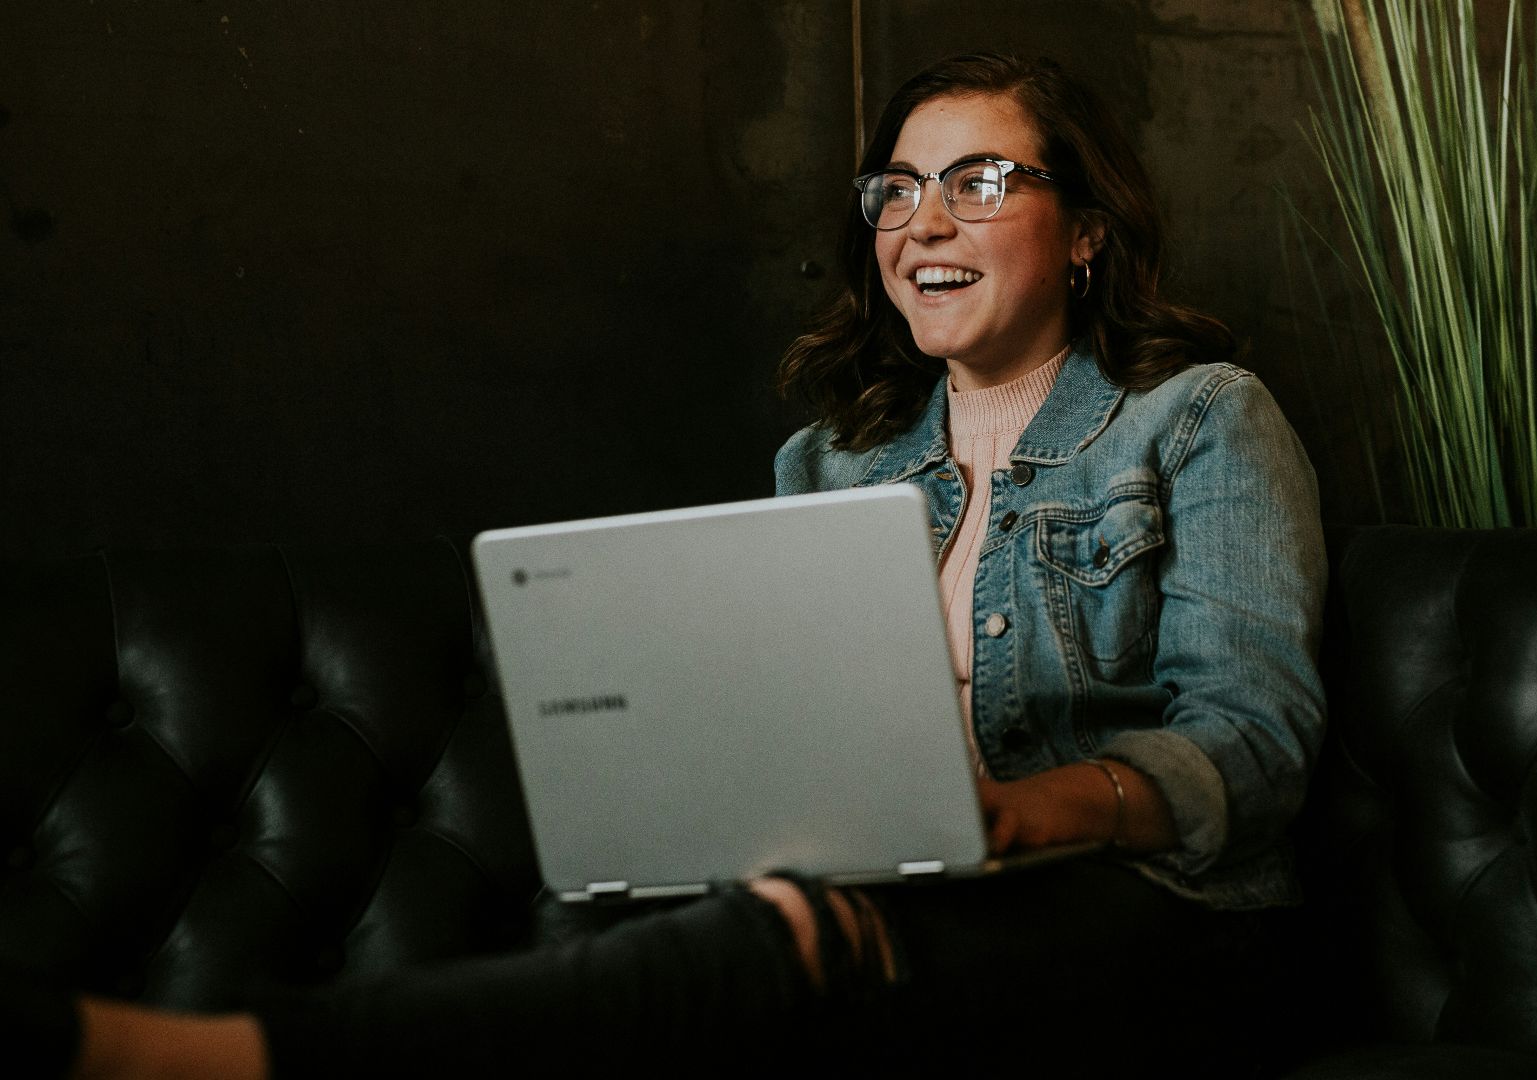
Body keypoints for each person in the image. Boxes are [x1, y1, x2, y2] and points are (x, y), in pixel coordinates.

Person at [15, 51, 1326, 1078]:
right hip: (905, 913)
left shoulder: (1201, 416)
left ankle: (215, 1060)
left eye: (981, 183)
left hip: (1158, 926)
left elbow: (1253, 750)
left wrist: (1022, 814)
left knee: (768, 962)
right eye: (896, 191)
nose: (923, 221)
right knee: (631, 939)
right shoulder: (831, 462)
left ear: (1085, 231)